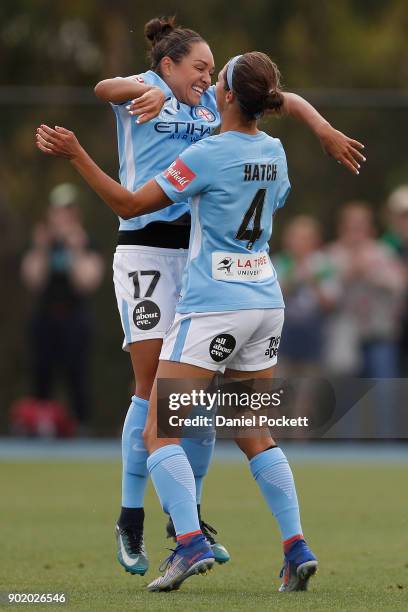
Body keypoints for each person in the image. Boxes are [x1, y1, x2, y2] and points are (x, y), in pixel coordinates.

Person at [35, 50, 346, 594]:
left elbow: (132, 205)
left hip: (214, 304)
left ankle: (187, 543)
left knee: (159, 428)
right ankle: (296, 547)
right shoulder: (273, 151)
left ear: (224, 95)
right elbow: (275, 125)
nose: (205, 81)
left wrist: (78, 155)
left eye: (213, 76)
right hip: (265, 302)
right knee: (251, 429)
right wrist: (319, 127)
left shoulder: (205, 154)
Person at [20, 184, 104, 430]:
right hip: (45, 316)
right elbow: (33, 280)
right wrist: (41, 248)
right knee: (41, 372)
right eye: (58, 211)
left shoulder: (87, 243)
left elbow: (87, 283)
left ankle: (81, 426)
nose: (63, 217)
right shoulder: (42, 241)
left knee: (77, 374)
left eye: (68, 211)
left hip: (75, 318)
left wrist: (75, 248)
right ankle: (38, 425)